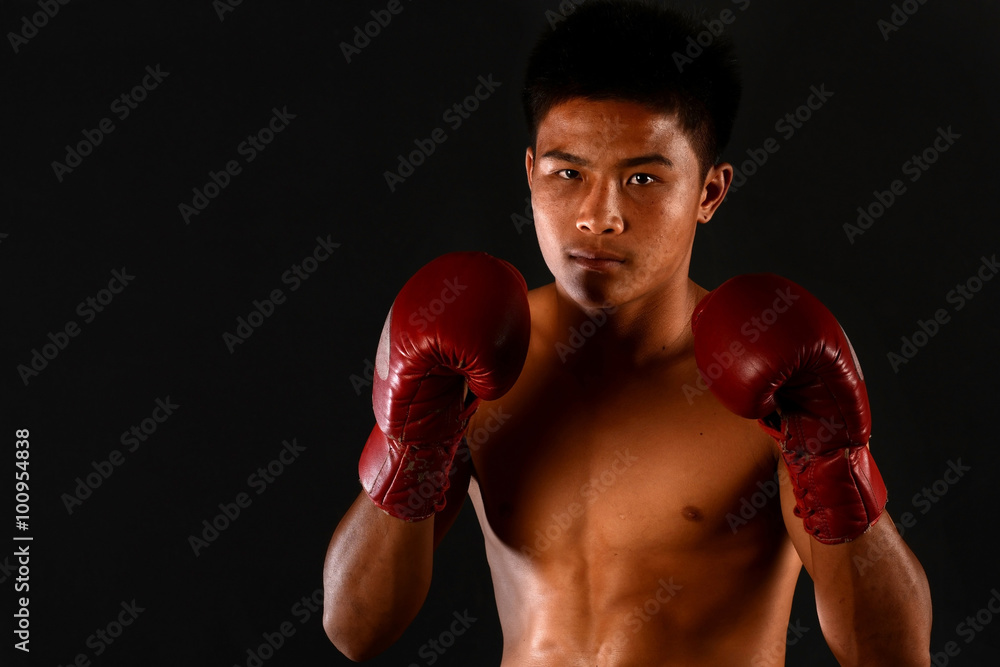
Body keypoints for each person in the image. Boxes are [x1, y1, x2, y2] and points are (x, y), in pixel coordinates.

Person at [322, 1, 933, 664]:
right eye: (568, 173)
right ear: (530, 174)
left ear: (709, 193)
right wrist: (410, 448)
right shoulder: (473, 365)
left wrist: (833, 460)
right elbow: (355, 629)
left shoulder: (773, 383)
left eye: (642, 178)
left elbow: (894, 656)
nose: (598, 216)